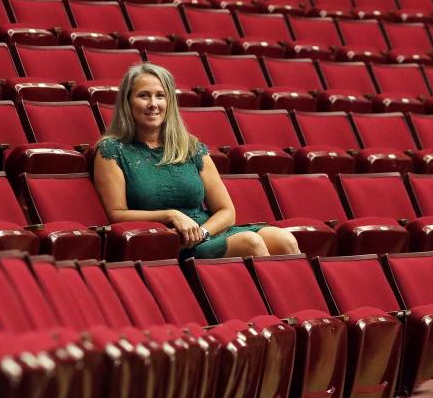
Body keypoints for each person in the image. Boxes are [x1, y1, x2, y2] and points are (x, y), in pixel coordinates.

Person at [93, 62, 300, 259]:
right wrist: (170, 215)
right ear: (128, 102)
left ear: (170, 102)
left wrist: (202, 233)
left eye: (160, 96)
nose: (153, 104)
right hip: (169, 241)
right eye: (143, 96)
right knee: (250, 242)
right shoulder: (112, 150)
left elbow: (226, 211)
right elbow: (116, 214)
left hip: (206, 234)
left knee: (285, 239)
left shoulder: (190, 147)